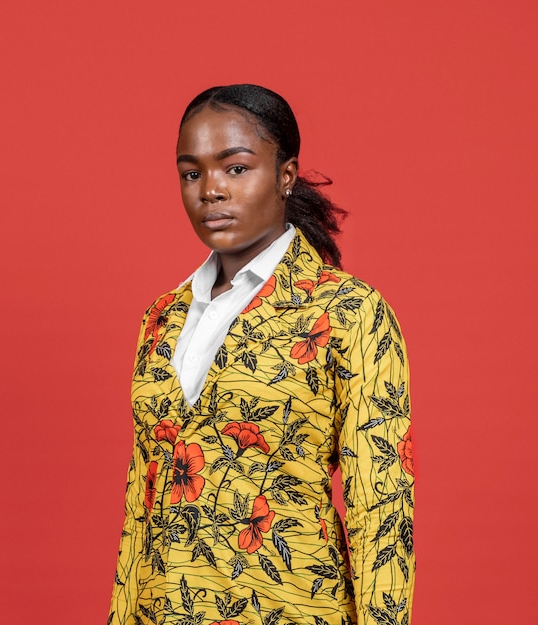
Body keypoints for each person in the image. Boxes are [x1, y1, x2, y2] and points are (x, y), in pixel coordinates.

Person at [109, 84, 415, 625]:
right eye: (192, 173)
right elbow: (141, 506)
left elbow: (382, 509)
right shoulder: (162, 318)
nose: (211, 191)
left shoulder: (349, 312)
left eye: (236, 168)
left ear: (286, 176)